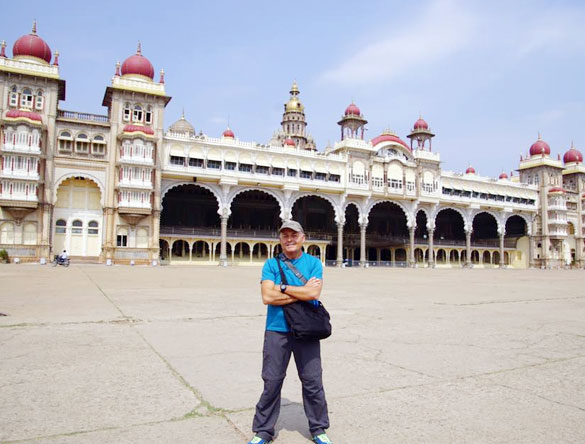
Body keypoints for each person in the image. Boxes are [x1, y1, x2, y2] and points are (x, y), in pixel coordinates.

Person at [247, 220, 332, 444]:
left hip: (307, 330)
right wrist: (302, 292)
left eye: (293, 235)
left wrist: (282, 288)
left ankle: (318, 428)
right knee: (272, 381)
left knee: (312, 381)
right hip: (277, 330)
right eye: (285, 235)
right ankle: (263, 430)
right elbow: (267, 297)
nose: (289, 239)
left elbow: (314, 294)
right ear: (280, 240)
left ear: (303, 238)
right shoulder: (271, 264)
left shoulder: (313, 263)